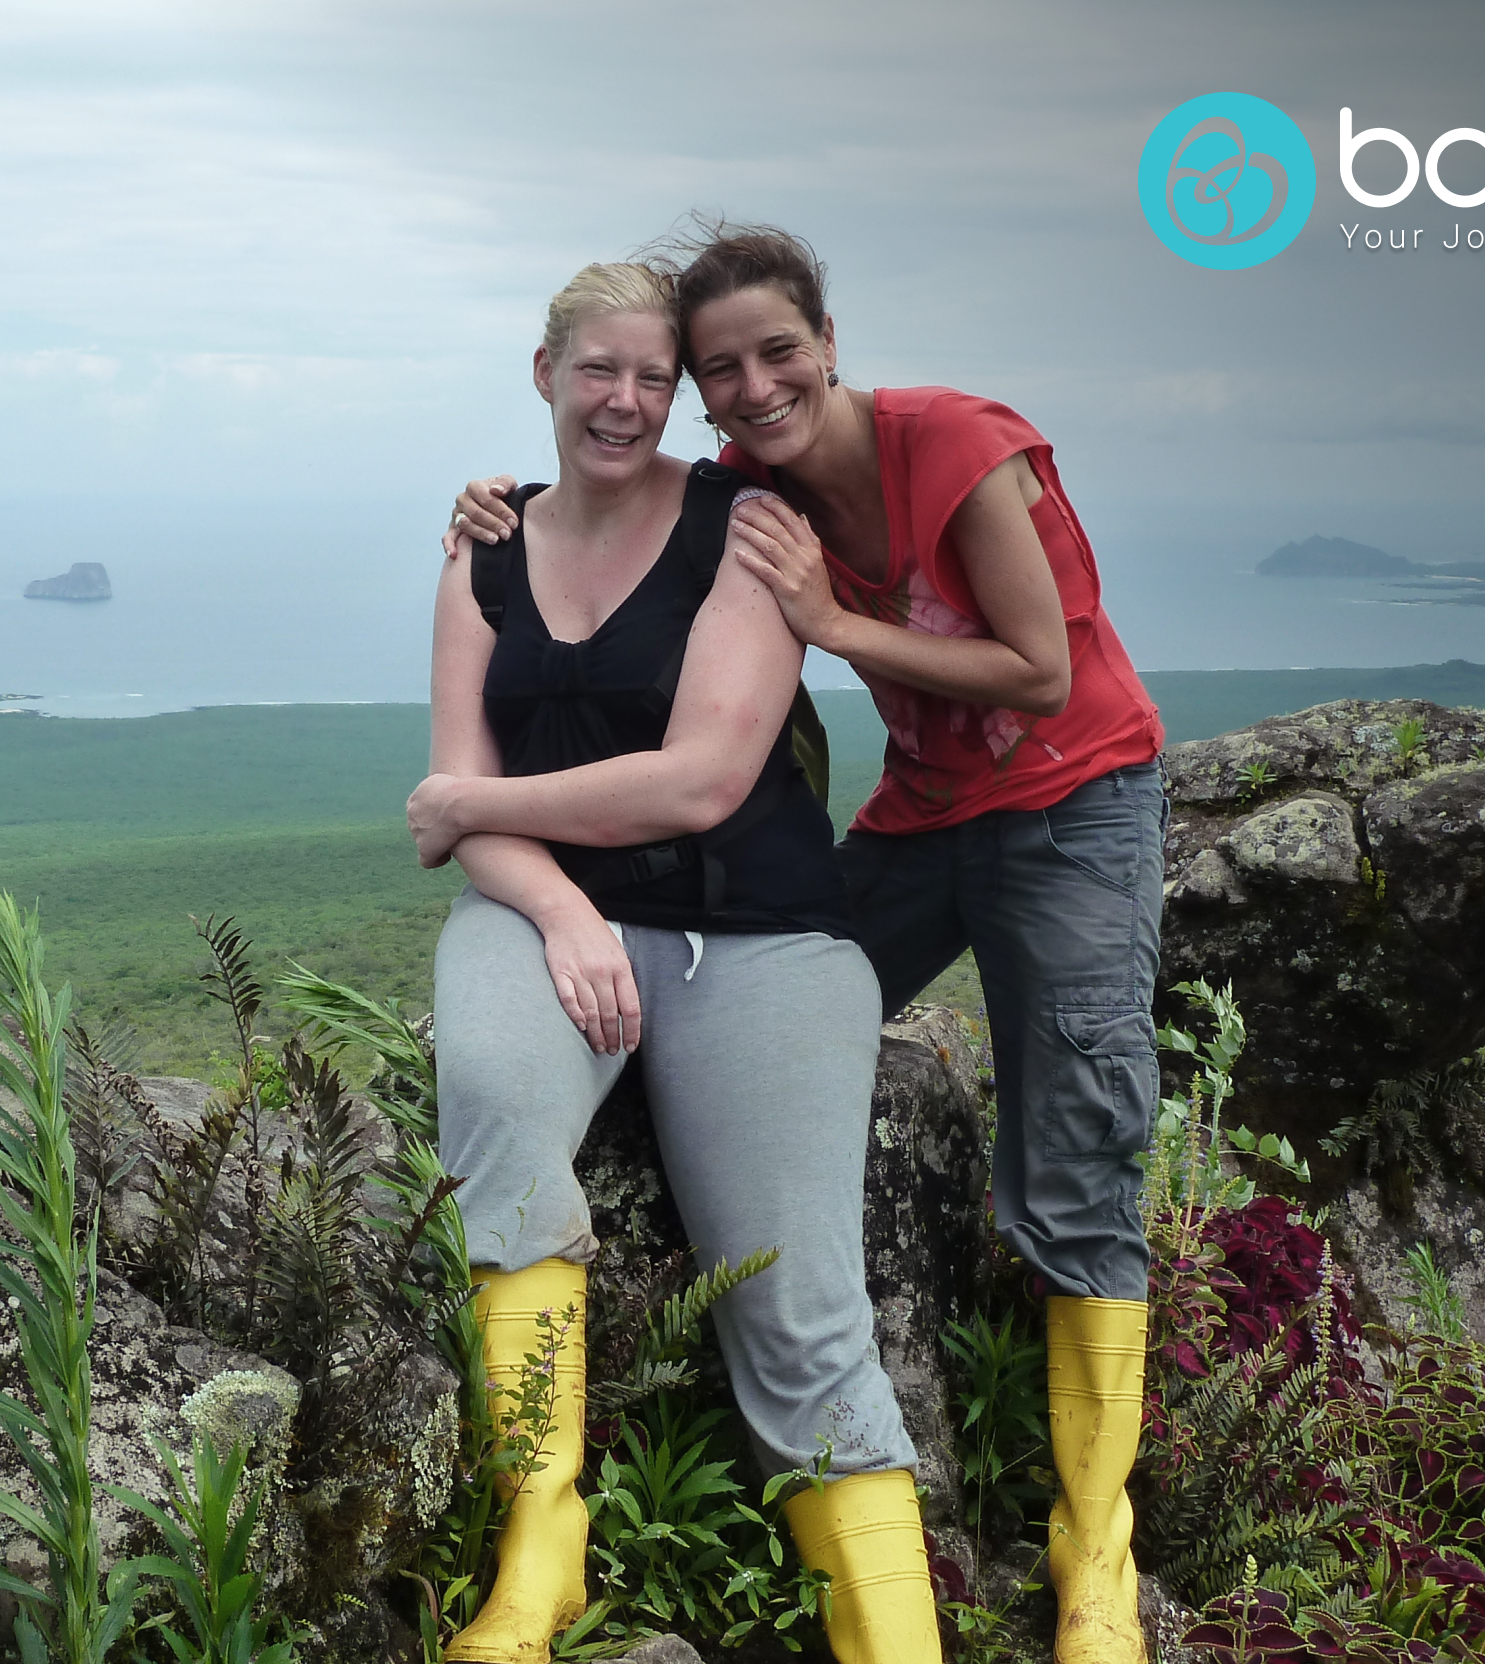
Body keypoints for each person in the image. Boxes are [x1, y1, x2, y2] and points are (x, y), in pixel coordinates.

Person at [446, 225, 1166, 1664]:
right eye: (718, 368)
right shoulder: (735, 488)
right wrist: (490, 505)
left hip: (1072, 799)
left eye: (774, 352)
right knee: (789, 1000)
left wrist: (832, 616)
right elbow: (608, 504)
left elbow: (1034, 668)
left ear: (831, 341)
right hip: (924, 813)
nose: (747, 383)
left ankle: (1096, 1550)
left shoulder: (951, 446)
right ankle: (549, 1542)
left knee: (1078, 1141)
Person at [414, 260, 942, 1664]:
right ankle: (543, 1553)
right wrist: (564, 910)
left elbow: (704, 779)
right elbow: (467, 818)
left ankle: (896, 1640)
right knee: (501, 1125)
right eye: (599, 370)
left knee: (796, 1297)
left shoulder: (748, 530)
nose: (628, 401)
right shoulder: (483, 549)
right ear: (545, 373)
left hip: (755, 930)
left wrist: (473, 808)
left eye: (657, 376)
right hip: (537, 919)